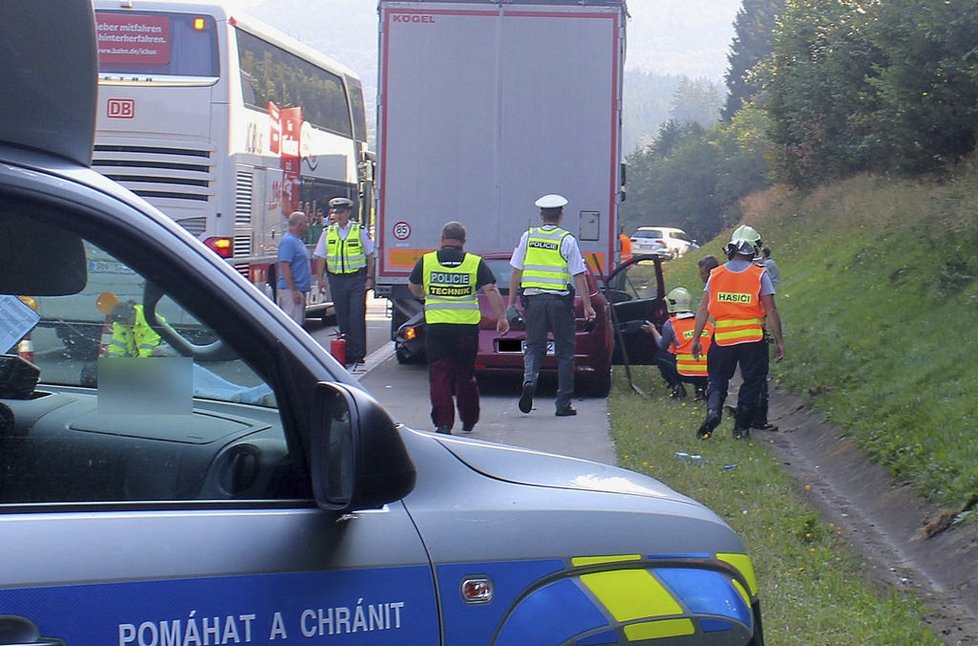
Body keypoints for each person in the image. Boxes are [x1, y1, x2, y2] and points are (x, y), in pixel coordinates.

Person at [409, 222, 509, 434]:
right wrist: (502, 317)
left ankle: (443, 423)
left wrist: (424, 294)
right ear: (464, 241)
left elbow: (414, 286)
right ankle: (469, 418)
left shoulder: (427, 261)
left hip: (437, 328)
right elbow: (491, 289)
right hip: (466, 329)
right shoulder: (474, 262)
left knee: (439, 375)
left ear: (442, 239)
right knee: (465, 374)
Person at [691, 225, 784, 440]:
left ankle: (714, 412)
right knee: (752, 382)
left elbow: (704, 308)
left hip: (722, 339)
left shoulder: (715, 274)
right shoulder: (759, 274)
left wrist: (696, 339)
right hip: (752, 339)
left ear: (731, 248)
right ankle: (741, 428)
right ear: (754, 249)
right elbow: (770, 309)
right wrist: (779, 340)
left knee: (717, 380)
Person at [508, 194, 595, 417]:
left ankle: (529, 381)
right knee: (565, 352)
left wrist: (511, 304)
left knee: (534, 347)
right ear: (561, 215)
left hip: (533, 302)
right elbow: (578, 274)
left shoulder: (528, 237)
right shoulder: (567, 240)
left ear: (541, 215)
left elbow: (516, 271)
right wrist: (587, 305)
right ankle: (563, 403)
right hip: (559, 303)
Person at [313, 196, 376, 368]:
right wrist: (320, 279)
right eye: (335, 212)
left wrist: (369, 278)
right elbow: (321, 257)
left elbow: (370, 255)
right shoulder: (328, 232)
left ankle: (359, 353)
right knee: (342, 316)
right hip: (336, 279)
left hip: (356, 279)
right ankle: (346, 352)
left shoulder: (359, 230)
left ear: (348, 212)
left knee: (357, 315)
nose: (337, 215)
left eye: (341, 212)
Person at [641, 287, 712, 400]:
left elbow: (662, 345)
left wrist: (653, 330)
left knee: (660, 356)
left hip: (683, 372)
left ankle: (677, 387)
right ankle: (701, 391)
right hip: (707, 374)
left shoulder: (671, 324)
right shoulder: (707, 324)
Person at [276, 211, 311, 325]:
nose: (307, 225)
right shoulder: (288, 242)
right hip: (290, 291)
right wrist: (294, 291)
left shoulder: (297, 241)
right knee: (292, 325)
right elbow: (285, 267)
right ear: (299, 225)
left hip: (299, 290)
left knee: (298, 322)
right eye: (305, 223)